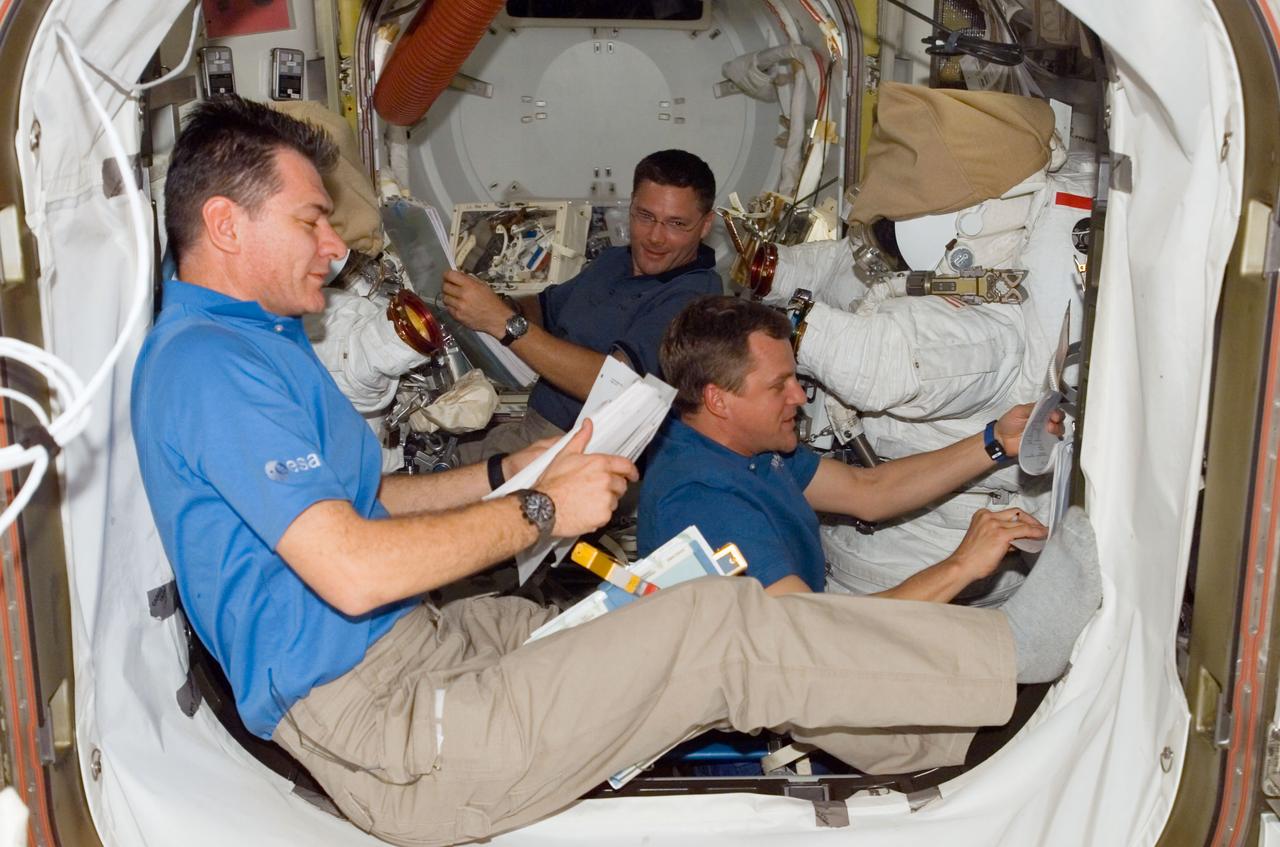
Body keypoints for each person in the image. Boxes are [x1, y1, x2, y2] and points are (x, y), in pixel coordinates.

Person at [132, 96, 1101, 846]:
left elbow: (358, 502)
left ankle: (933, 739)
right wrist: (546, 508)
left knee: (646, 605)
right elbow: (350, 565)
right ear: (226, 224)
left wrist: (509, 469)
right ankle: (1007, 659)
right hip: (387, 736)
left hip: (413, 650)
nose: (336, 244)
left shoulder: (250, 341)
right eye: (311, 222)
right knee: (712, 627)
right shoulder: (210, 366)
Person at [639, 296, 1057, 602]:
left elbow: (867, 490)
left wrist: (995, 441)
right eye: (777, 386)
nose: (799, 398)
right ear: (718, 400)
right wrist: (961, 566)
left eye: (794, 379)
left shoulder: (741, 443)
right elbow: (812, 640)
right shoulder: (703, 501)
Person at [442, 149, 723, 461]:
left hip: (579, 450)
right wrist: (499, 303)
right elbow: (544, 308)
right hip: (533, 428)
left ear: (705, 224)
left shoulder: (695, 299)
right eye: (645, 216)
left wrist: (503, 322)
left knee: (431, 484)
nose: (655, 237)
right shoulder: (616, 260)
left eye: (676, 224)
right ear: (631, 206)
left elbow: (613, 384)